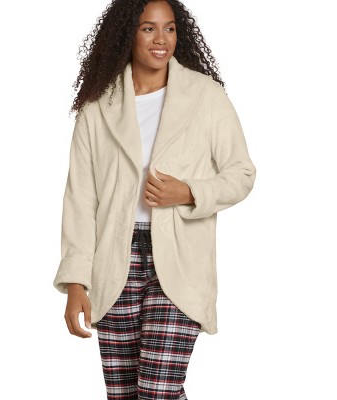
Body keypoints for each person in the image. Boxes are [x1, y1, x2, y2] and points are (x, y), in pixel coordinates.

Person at [53, 0, 256, 398]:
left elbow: (241, 174)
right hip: (113, 260)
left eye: (169, 28)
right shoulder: (98, 106)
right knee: (124, 394)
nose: (161, 39)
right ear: (126, 34)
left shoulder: (205, 96)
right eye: (148, 28)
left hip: (179, 259)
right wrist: (76, 281)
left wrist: (190, 191)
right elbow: (80, 199)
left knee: (158, 391)